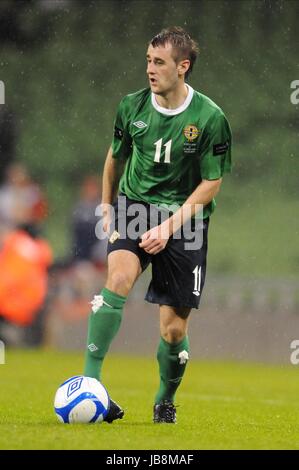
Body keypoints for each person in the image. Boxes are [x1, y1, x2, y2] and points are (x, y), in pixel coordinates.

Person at [84, 26, 232, 424]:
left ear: (183, 67)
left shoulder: (210, 118)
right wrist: (105, 205)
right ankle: (89, 385)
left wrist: (169, 227)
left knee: (172, 331)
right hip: (136, 205)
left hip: (185, 219)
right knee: (117, 280)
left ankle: (165, 398)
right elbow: (115, 157)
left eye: (160, 62)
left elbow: (212, 182)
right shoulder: (131, 106)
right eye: (148, 60)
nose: (150, 69)